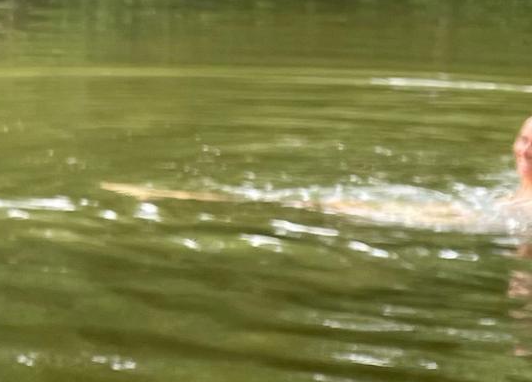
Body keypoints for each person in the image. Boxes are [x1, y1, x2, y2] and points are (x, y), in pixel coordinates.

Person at [102, 115, 532, 227]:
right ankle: (192, 199)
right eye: (523, 137)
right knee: (317, 203)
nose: (526, 148)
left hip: (463, 222)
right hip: (471, 218)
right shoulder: (512, 192)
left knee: (321, 205)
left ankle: (188, 200)